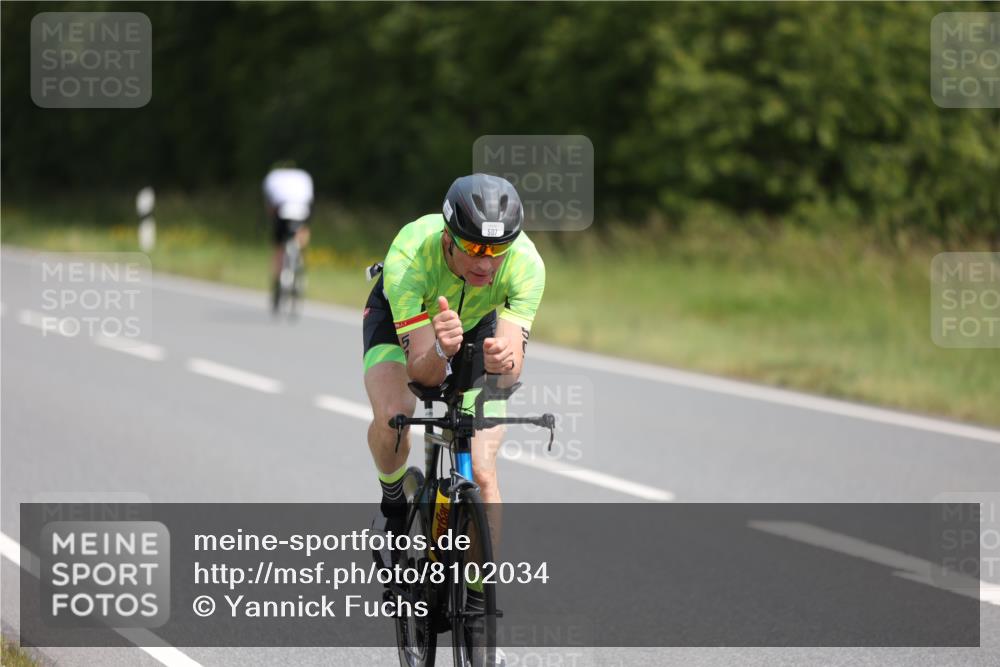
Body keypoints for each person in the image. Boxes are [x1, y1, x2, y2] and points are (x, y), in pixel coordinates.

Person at [263, 161, 313, 311]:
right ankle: (300, 257)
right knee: (303, 231)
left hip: (282, 211)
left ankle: (277, 279)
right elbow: (310, 200)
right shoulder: (303, 176)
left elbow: (270, 203)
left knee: (278, 246)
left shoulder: (274, 176)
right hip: (302, 211)